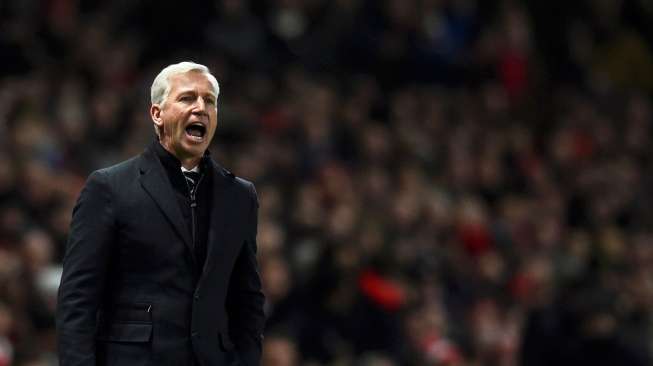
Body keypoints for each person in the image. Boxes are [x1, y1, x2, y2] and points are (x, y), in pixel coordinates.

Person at [56, 62, 265, 366]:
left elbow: (248, 299)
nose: (200, 108)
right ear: (157, 114)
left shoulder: (240, 196)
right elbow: (77, 299)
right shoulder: (110, 188)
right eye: (187, 98)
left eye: (209, 101)